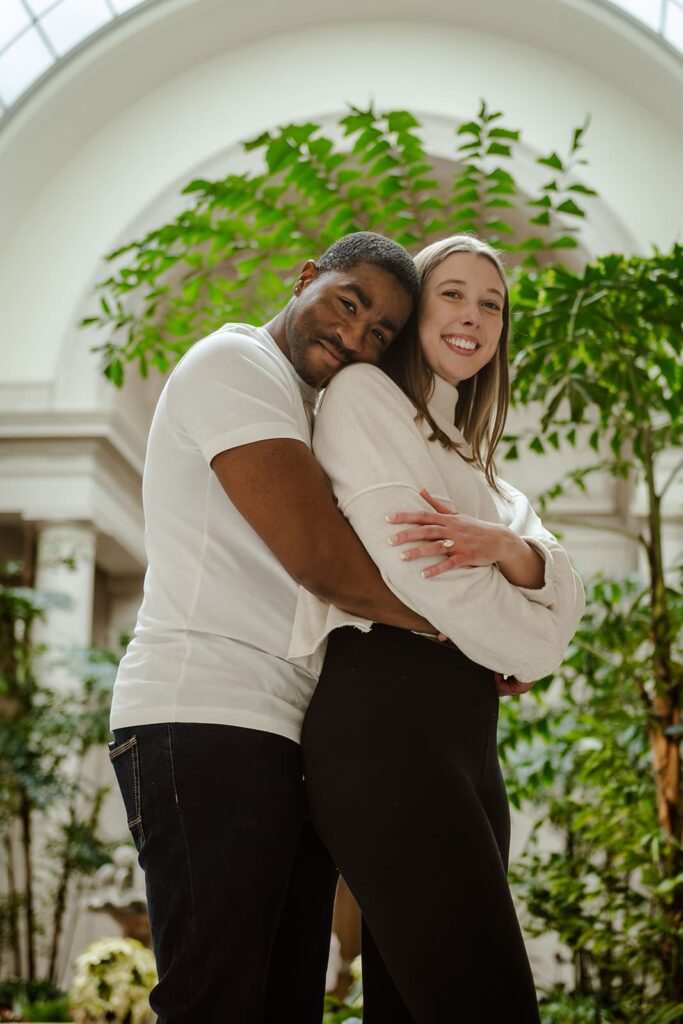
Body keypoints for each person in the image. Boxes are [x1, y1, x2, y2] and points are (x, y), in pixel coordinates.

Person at [107, 232, 444, 1023]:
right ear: (304, 278)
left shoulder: (318, 413)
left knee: (285, 1002)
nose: (354, 337)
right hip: (204, 714)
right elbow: (322, 562)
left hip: (283, 731)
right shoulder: (237, 366)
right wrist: (465, 635)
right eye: (346, 303)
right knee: (215, 998)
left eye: (379, 334)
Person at [290, 234, 586, 1023]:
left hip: (463, 747)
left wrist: (510, 550)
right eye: (451, 293)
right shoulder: (364, 398)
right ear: (416, 309)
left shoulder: (478, 464)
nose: (473, 315)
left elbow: (567, 602)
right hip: (384, 734)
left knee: (411, 1008)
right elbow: (434, 582)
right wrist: (528, 616)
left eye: (491, 303)